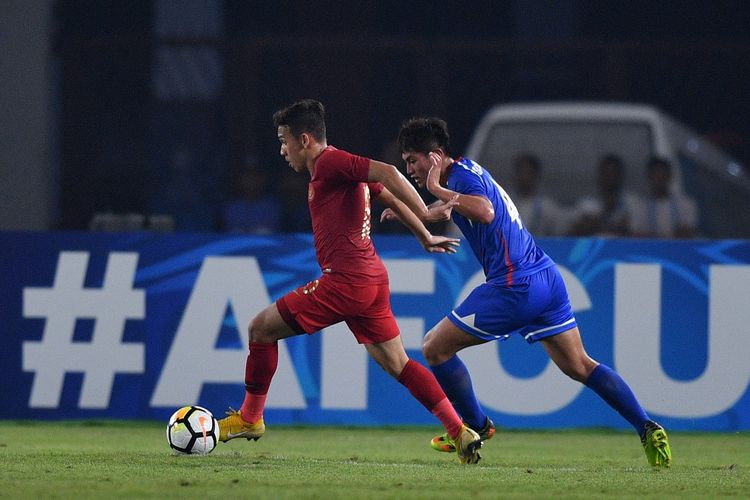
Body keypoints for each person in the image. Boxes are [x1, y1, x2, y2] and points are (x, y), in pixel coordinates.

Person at [382, 117, 672, 467]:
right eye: (406, 162)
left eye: (413, 160)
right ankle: (647, 427)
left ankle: (474, 426)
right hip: (546, 278)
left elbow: (485, 211)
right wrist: (407, 211)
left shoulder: (457, 179)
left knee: (434, 347)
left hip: (514, 284)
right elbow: (443, 211)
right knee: (579, 364)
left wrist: (440, 191)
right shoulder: (467, 170)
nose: (410, 169)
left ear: (436, 155)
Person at [217, 100, 482, 464]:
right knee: (399, 364)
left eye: (284, 141)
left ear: (305, 140)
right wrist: (423, 235)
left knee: (260, 329)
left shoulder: (329, 162)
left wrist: (424, 212)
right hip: (371, 281)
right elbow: (386, 194)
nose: (282, 150)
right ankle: (459, 430)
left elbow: (389, 173)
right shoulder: (338, 174)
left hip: (346, 281)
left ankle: (249, 418)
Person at [568, 154, 639, 237]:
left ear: (621, 176)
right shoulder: (586, 205)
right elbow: (571, 234)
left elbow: (639, 234)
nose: (610, 178)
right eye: (606, 174)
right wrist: (600, 218)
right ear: (599, 176)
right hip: (595, 248)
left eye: (613, 173)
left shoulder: (633, 203)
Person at [630, 157, 698, 239]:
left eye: (663, 175)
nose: (660, 179)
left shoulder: (685, 204)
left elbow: (690, 232)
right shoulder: (640, 206)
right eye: (656, 175)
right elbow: (635, 234)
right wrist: (669, 235)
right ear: (649, 177)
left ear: (670, 176)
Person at [509, 153, 567, 236]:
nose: (524, 177)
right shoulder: (504, 204)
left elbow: (560, 234)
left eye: (528, 173)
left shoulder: (548, 208)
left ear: (536, 176)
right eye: (521, 172)